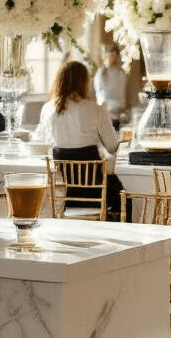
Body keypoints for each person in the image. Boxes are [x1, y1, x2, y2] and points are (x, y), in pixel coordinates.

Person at [37, 60, 126, 221]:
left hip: (66, 191)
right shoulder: (96, 109)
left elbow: (43, 141)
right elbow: (112, 147)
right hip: (96, 188)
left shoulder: (47, 109)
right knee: (124, 198)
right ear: (84, 82)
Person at [93, 43, 129, 127]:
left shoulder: (121, 74)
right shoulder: (101, 73)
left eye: (113, 56)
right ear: (104, 56)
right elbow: (100, 94)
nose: (111, 58)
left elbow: (121, 94)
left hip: (118, 114)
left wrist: (123, 109)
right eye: (109, 55)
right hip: (105, 113)